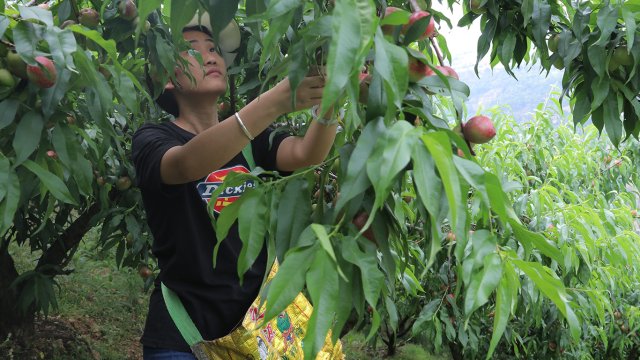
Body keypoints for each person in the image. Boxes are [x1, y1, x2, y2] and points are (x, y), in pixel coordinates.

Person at [132, 11, 339, 360]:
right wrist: (275, 101)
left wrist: (334, 92)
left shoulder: (252, 143)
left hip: (256, 332)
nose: (211, 54)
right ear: (166, 76)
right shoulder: (153, 138)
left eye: (213, 48)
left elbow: (307, 153)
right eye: (192, 49)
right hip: (183, 335)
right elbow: (185, 164)